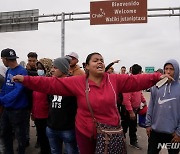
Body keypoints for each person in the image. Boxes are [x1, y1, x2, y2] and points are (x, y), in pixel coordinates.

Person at [13, 52, 172, 154]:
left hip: (109, 132)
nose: (100, 62)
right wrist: (26, 80)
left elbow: (136, 80)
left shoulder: (114, 80)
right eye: (95, 60)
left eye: (102, 60)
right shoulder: (78, 81)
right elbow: (50, 84)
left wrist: (156, 76)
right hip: (84, 132)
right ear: (87, 66)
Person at [146, 59, 180, 154]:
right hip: (155, 132)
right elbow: (151, 106)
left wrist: (179, 133)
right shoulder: (156, 87)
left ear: (176, 71)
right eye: (166, 68)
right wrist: (148, 124)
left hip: (173, 134)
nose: (168, 71)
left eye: (171, 69)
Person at [46, 57, 79, 154]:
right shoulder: (51, 83)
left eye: (55, 67)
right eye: (52, 67)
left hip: (68, 129)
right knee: (55, 151)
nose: (52, 70)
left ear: (63, 69)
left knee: (71, 151)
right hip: (51, 127)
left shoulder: (73, 84)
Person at [0, 48, 29, 154]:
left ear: (6, 59)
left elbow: (18, 91)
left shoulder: (22, 71)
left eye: (2, 59)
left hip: (18, 110)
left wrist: (2, 100)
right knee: (4, 133)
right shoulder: (8, 70)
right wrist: (1, 98)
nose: (2, 61)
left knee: (20, 136)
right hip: (7, 109)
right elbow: (4, 88)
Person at [121, 64, 147, 149]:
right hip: (128, 110)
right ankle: (121, 142)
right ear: (139, 72)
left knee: (133, 127)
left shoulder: (137, 81)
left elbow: (140, 93)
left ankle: (133, 142)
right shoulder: (129, 82)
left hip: (135, 110)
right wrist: (131, 112)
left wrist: (144, 101)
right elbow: (126, 99)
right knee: (124, 126)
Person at [32, 58, 52, 154]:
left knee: (47, 139)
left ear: (47, 68)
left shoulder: (50, 82)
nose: (38, 70)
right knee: (41, 137)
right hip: (37, 115)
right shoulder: (37, 81)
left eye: (41, 67)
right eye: (37, 67)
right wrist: (33, 112)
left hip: (47, 117)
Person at [25, 52, 38, 148]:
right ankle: (26, 140)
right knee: (26, 122)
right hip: (27, 99)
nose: (31, 62)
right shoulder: (25, 70)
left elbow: (36, 78)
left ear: (36, 60)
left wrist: (29, 72)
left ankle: (39, 139)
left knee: (38, 121)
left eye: (33, 61)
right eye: (30, 60)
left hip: (36, 100)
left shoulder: (40, 70)